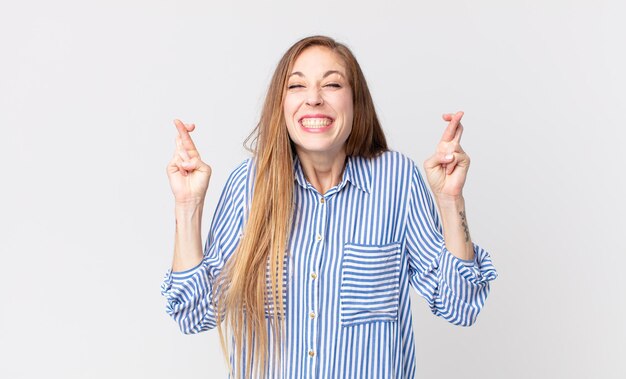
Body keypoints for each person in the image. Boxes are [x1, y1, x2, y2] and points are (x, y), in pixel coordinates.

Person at [162, 35, 497, 379]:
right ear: (281, 104)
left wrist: (450, 199)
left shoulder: (398, 181)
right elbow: (193, 312)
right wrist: (188, 205)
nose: (313, 99)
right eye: (297, 86)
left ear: (355, 100)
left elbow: (461, 305)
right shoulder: (248, 186)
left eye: (332, 84)